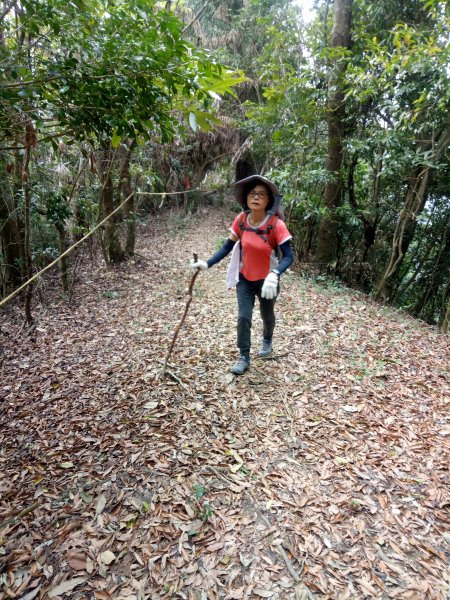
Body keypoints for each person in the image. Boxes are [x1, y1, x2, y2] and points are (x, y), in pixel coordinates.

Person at [191, 175, 293, 374]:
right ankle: (244, 356)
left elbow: (289, 256)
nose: (256, 197)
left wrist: (275, 274)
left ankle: (267, 339)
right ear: (246, 198)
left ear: (268, 200)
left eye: (261, 194)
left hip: (268, 282)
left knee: (267, 315)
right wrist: (207, 264)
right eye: (252, 193)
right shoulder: (241, 220)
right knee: (243, 317)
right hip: (245, 279)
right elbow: (227, 247)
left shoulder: (275, 225)